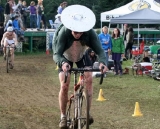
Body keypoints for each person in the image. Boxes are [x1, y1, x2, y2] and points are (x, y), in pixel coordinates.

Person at [52, 5, 108, 129]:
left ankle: (87, 113)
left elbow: (100, 51)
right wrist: (62, 62)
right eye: (75, 32)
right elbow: (56, 54)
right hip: (65, 57)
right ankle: (63, 117)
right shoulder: (64, 32)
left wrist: (103, 62)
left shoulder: (90, 32)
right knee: (64, 85)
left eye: (79, 32)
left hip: (82, 55)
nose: (77, 34)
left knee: (89, 79)